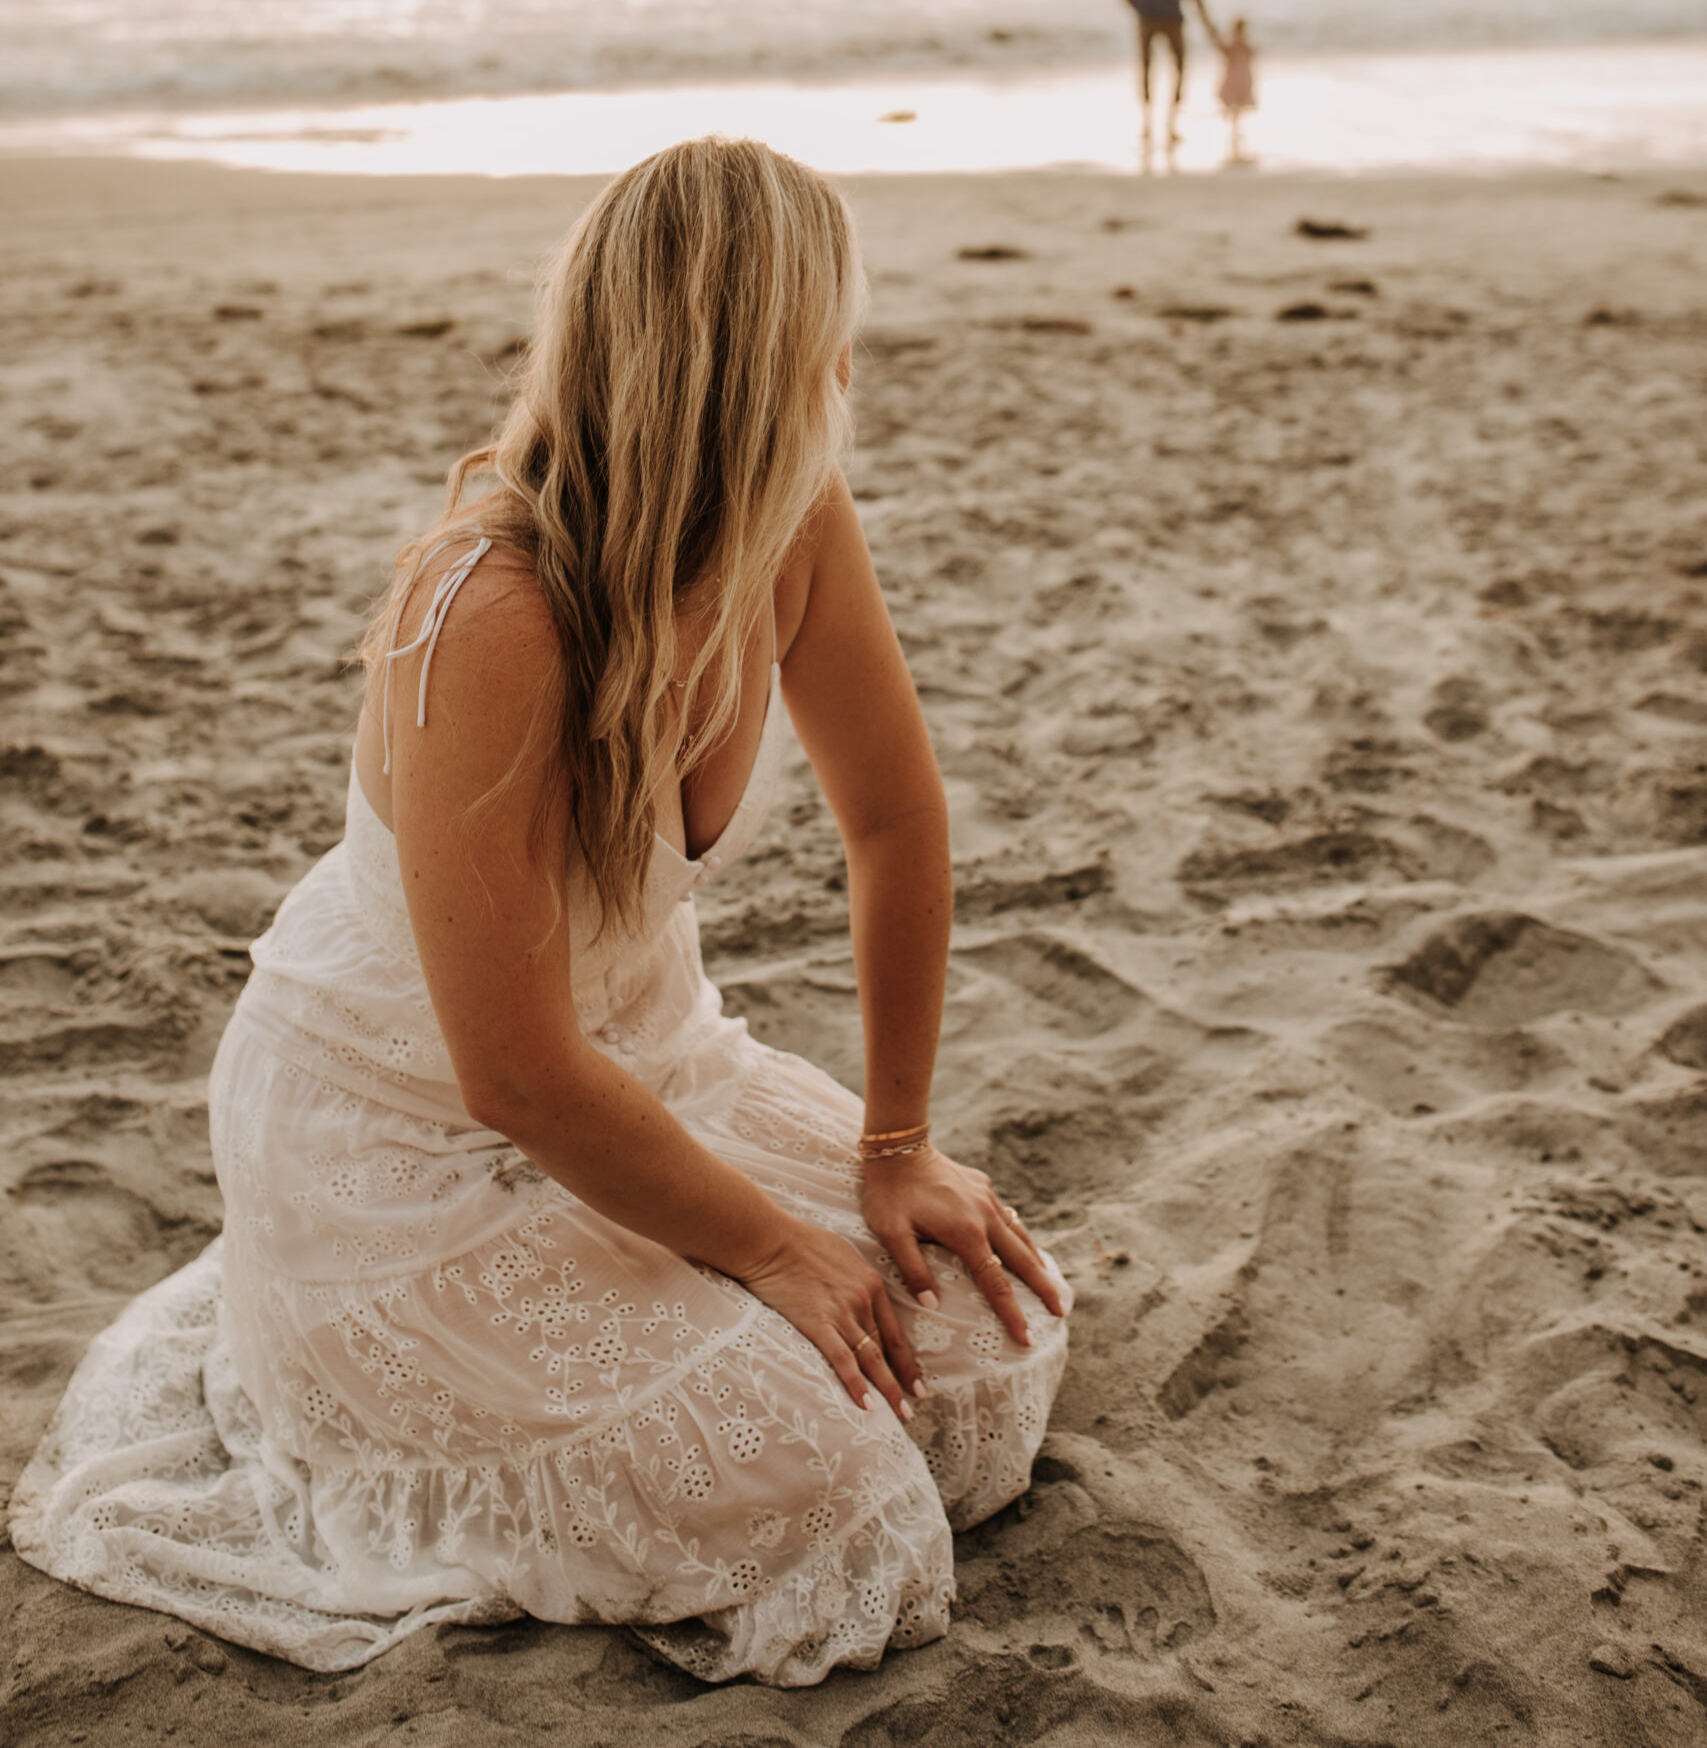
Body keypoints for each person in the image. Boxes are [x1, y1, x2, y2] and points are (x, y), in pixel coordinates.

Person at [12, 139, 1070, 1687]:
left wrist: (894, 1148)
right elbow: (509, 1073)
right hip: (409, 1134)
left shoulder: (791, 513)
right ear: (765, 346)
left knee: (989, 1352)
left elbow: (896, 820)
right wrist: (776, 1250)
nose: (853, 358)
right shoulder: (491, 607)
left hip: (647, 1072)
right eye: (835, 320)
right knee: (824, 1491)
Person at [1123, 0, 1217, 151]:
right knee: (1179, 67)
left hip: (1146, 19)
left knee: (1146, 67)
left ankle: (1146, 122)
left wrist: (1140, 10)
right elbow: (1197, 0)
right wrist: (1211, 30)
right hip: (1173, 20)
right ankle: (1172, 123)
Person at [1213, 15, 1258, 164]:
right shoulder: (1237, 45)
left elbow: (1252, 55)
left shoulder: (1241, 45)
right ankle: (1235, 130)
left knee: (1236, 107)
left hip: (1240, 80)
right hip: (1237, 80)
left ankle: (1235, 130)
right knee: (1234, 106)